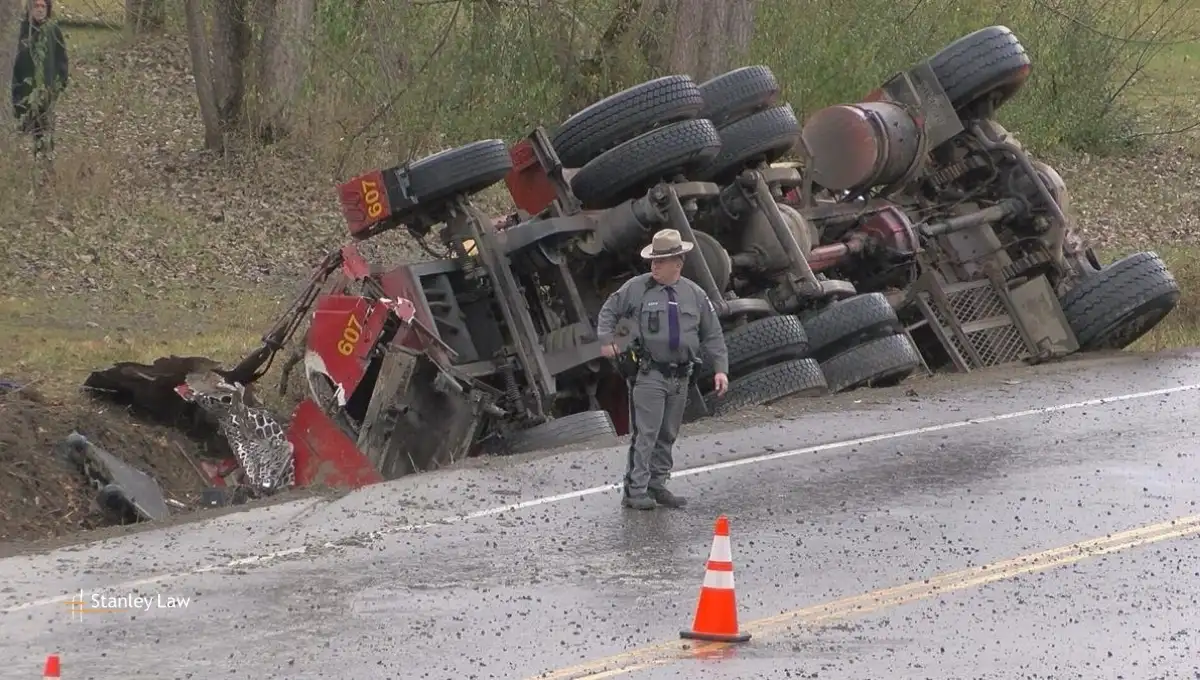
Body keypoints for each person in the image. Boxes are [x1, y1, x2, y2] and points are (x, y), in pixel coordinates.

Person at [595, 228, 730, 511]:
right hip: (649, 374)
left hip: (680, 377)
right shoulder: (637, 288)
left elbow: (713, 333)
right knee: (646, 433)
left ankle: (657, 485)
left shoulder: (694, 294)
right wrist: (608, 341)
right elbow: (609, 309)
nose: (653, 266)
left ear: (677, 264)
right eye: (653, 261)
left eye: (660, 261)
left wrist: (720, 369)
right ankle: (635, 490)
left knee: (668, 433)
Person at [11, 0, 68, 163]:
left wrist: (59, 85)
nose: (40, 10)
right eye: (36, 6)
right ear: (29, 8)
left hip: (46, 92)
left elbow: (62, 59)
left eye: (43, 6)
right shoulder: (21, 30)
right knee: (20, 132)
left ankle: (43, 165)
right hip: (21, 92)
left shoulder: (53, 31)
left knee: (43, 133)